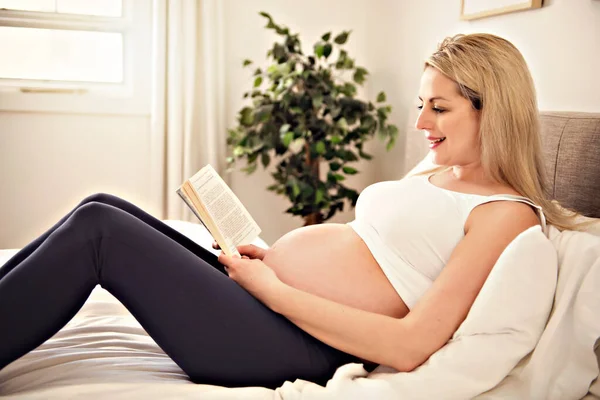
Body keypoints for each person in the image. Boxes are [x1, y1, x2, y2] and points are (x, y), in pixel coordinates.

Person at [0, 33, 583, 389]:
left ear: (493, 111)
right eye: (420, 105)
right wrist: (267, 267)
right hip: (268, 303)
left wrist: (272, 289)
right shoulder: (439, 170)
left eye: (440, 108)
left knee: (101, 233)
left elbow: (412, 345)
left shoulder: (504, 214)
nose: (420, 123)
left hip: (288, 345)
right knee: (102, 206)